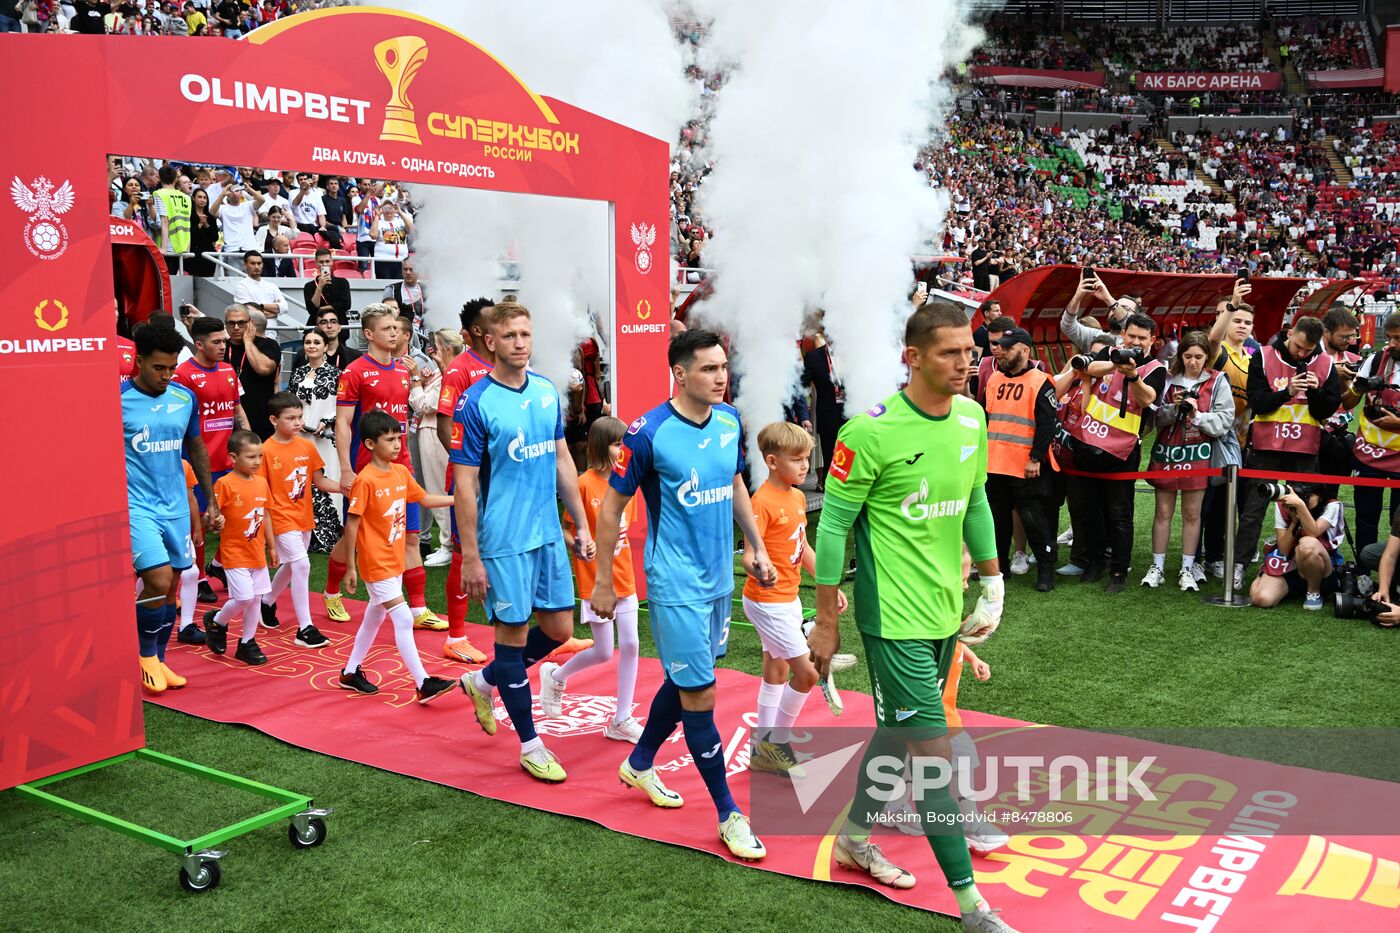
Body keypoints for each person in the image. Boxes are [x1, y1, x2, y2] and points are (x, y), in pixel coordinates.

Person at [808, 301, 1015, 932]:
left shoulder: (972, 420)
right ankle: (970, 903)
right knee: (934, 758)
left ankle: (853, 835)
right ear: (913, 358)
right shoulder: (868, 432)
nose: (965, 362)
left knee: (897, 734)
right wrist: (825, 619)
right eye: (951, 352)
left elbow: (976, 499)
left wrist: (992, 579)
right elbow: (835, 524)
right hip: (891, 620)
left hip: (943, 614)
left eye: (969, 350)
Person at [590, 328, 776, 860]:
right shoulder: (647, 433)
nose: (721, 377)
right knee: (701, 694)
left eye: (724, 367)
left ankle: (640, 762)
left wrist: (755, 545)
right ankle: (728, 813)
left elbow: (736, 482)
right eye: (710, 369)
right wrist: (604, 580)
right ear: (679, 373)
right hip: (675, 584)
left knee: (688, 677)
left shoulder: (729, 421)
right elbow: (610, 508)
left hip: (719, 577)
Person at [454, 300, 596, 783]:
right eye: (510, 335)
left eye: (526, 334)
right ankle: (531, 744)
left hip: (548, 534)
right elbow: (465, 486)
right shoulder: (476, 403)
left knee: (558, 630)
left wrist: (579, 524)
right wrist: (470, 556)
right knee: (511, 639)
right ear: (490, 342)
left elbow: (561, 460)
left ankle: (482, 681)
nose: (520, 343)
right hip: (503, 541)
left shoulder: (546, 390)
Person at [322, 305, 441, 630]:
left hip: (402, 469)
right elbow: (344, 424)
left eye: (396, 327)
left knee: (411, 537)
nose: (395, 332)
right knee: (354, 540)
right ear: (369, 334)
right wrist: (346, 469)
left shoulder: (405, 371)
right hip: (365, 472)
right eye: (386, 328)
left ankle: (418, 610)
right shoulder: (355, 372)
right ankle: (332, 592)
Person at [742, 421, 846, 774]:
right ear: (772, 461)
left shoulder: (799, 496)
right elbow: (750, 553)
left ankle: (762, 751)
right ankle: (775, 745)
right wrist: (761, 568)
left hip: (787, 600)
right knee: (808, 674)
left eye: (807, 458)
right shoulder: (762, 501)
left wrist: (828, 586)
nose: (805, 465)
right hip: (766, 602)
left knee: (776, 669)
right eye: (797, 459)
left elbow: (801, 548)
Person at [337, 412, 461, 703]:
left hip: (394, 561)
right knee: (404, 619)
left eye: (398, 439)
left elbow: (426, 500)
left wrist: (461, 498)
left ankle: (350, 671)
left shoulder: (401, 472)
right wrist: (351, 567)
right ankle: (422, 682)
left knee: (374, 615)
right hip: (376, 563)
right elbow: (351, 525)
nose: (397, 445)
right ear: (369, 444)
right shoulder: (365, 480)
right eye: (389, 440)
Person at [124, 320, 219, 694]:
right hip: (136, 507)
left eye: (171, 368)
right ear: (139, 360)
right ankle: (145, 655)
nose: (166, 375)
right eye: (157, 368)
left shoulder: (184, 398)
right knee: (157, 579)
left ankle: (160, 660)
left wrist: (209, 498)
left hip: (176, 505)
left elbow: (195, 448)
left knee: (173, 586)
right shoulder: (116, 400)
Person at [537, 417, 645, 743]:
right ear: (600, 446)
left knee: (630, 645)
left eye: (624, 444)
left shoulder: (627, 483)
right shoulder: (582, 485)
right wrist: (580, 545)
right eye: (616, 444)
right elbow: (566, 529)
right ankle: (555, 676)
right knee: (603, 651)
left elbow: (624, 533)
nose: (622, 450)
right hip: (596, 580)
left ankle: (622, 719)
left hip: (624, 578)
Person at [1233, 316, 1342, 590]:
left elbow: (1327, 410)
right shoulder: (1264, 356)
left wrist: (1315, 392)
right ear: (1290, 333)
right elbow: (1257, 402)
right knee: (1253, 511)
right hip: (1266, 447)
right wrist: (1287, 391)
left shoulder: (1326, 363)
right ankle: (1238, 565)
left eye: (1309, 350)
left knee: (1305, 510)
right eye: (1299, 347)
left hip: (1304, 451)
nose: (1303, 354)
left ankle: (1301, 565)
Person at [1062, 312, 1166, 592]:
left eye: (1142, 338)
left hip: (1123, 451)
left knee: (1120, 513)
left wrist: (1132, 375)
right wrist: (1116, 362)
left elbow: (1147, 399)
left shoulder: (1155, 368)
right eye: (1131, 335)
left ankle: (1119, 571)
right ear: (1123, 334)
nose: (1135, 341)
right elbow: (1088, 369)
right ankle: (1095, 562)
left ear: (1152, 340)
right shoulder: (1110, 352)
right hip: (1090, 441)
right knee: (1089, 509)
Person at [1143, 332, 1235, 592]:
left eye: (1198, 356)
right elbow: (1151, 416)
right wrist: (1172, 410)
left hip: (1200, 455)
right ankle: (1157, 567)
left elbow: (1224, 421)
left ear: (1207, 357)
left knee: (1193, 514)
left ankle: (1187, 568)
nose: (1193, 362)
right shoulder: (1167, 379)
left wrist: (1197, 415)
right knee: (1163, 512)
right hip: (1167, 454)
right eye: (1187, 356)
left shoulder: (1217, 381)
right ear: (1179, 355)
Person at [434, 297, 496, 663]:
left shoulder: (505, 364)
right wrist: (468, 469)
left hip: (505, 478)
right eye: (494, 323)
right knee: (463, 553)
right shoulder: (459, 369)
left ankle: (540, 632)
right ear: (477, 331)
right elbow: (445, 424)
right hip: (470, 481)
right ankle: (455, 637)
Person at [173, 315, 249, 605]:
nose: (223, 346)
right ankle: (199, 577)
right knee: (200, 524)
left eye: (224, 341)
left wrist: (251, 443)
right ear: (199, 344)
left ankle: (218, 565)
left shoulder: (229, 370)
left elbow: (236, 410)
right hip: (197, 463)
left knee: (238, 519)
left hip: (229, 461)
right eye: (216, 342)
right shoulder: (182, 375)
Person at [257, 392, 338, 648]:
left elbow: (320, 482)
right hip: (281, 518)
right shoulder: (265, 451)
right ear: (273, 419)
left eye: (300, 417)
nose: (297, 422)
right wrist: (267, 534)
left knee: (293, 565)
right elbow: (261, 494)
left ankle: (266, 601)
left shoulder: (306, 446)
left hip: (304, 517)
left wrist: (347, 487)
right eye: (290, 418)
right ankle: (305, 628)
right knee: (301, 565)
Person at [982, 326, 1058, 592]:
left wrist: (1036, 457)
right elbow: (987, 418)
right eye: (1000, 346)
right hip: (995, 464)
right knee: (997, 520)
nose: (1001, 351)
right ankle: (1000, 569)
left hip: (1026, 465)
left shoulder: (1041, 380)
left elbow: (1047, 424)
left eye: (1008, 347)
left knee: (1033, 518)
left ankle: (1046, 570)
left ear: (1025, 350)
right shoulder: (994, 379)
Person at [202, 431, 280, 664]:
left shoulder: (262, 483)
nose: (257, 462)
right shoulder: (224, 483)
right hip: (234, 552)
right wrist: (215, 520)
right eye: (251, 457)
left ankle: (247, 642)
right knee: (245, 598)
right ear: (233, 458)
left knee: (256, 598)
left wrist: (272, 547)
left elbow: (265, 515)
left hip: (256, 552)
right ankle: (217, 621)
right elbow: (211, 514)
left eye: (259, 457)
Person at [1201, 294, 1258, 579]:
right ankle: (1209, 556)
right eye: (1237, 320)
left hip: (1241, 441)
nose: (1243, 326)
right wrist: (1233, 304)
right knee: (1210, 503)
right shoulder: (1218, 351)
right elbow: (1211, 341)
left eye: (1248, 322)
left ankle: (1220, 553)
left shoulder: (1251, 358)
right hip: (1210, 440)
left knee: (1231, 501)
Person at [410, 328, 461, 568]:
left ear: (446, 349)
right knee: (436, 486)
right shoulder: (446, 373)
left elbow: (425, 404)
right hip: (430, 430)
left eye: (436, 347)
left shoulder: (451, 373)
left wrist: (416, 382)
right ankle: (447, 543)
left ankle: (447, 545)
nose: (432, 351)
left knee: (438, 488)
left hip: (434, 431)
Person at [1348, 313, 1400, 552]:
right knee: (1366, 518)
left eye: (1397, 338)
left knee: (1398, 524)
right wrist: (1358, 386)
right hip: (1369, 454)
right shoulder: (1377, 359)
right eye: (1389, 338)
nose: (1391, 344)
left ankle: (1395, 579)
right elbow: (1349, 402)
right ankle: (1361, 574)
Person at [1249, 484, 1345, 611]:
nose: (1301, 499)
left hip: (1320, 569)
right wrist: (1294, 521)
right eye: (1299, 495)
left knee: (1307, 544)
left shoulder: (1332, 506)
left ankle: (1313, 592)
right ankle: (1279, 582)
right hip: (1290, 564)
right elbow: (1283, 549)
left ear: (1320, 497)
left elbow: (1313, 532)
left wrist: (1300, 506)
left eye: (1308, 496)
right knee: (1261, 598)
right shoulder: (1283, 506)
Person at [289, 329, 343, 552]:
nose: (311, 346)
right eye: (308, 342)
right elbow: (290, 402)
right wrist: (295, 421)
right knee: (302, 481)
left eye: (316, 342)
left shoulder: (337, 373)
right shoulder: (297, 373)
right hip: (300, 435)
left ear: (325, 346)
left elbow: (343, 405)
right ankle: (303, 535)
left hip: (325, 438)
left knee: (328, 478)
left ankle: (329, 536)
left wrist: (327, 421)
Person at [224, 304, 281, 440]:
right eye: (231, 323)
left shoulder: (268, 345)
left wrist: (248, 342)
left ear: (250, 324)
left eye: (241, 323)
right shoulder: (222, 347)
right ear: (225, 325)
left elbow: (264, 369)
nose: (236, 327)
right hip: (227, 423)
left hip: (261, 423)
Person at [802, 326, 846, 490]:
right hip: (828, 415)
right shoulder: (814, 356)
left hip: (852, 414)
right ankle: (830, 489)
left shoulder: (854, 353)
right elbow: (802, 383)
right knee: (830, 456)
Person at [232, 251, 286, 338]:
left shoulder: (272, 286)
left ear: (262, 265)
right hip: (252, 335)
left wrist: (260, 306)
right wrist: (274, 312)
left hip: (272, 335)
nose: (256, 266)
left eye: (259, 263)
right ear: (245, 265)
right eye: (253, 263)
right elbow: (250, 313)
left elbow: (284, 308)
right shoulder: (241, 286)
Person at [152, 164, 191, 274]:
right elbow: (187, 224)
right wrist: (188, 248)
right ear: (175, 179)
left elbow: (165, 221)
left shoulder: (159, 194)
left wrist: (163, 248)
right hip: (183, 245)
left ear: (159, 178)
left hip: (168, 246)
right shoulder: (187, 197)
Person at [210, 179, 263, 257]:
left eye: (237, 190)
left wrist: (249, 189)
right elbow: (212, 212)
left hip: (249, 248)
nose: (234, 193)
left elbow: (262, 200)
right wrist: (222, 194)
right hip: (231, 249)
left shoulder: (248, 205)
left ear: (241, 193)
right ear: (227, 194)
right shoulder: (223, 208)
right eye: (231, 191)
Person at [292, 310, 361, 370]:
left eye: (333, 322)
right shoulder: (303, 355)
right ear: (317, 328)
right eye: (324, 322)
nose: (329, 326)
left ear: (339, 327)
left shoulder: (354, 356)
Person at [291, 171, 342, 249]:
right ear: (297, 182)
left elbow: (321, 214)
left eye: (305, 179)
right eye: (301, 180)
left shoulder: (316, 195)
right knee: (308, 227)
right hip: (300, 224)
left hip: (314, 225)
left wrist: (322, 226)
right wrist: (303, 190)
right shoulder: (293, 192)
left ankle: (337, 251)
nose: (303, 181)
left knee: (334, 229)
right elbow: (295, 203)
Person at [384, 258, 427, 349]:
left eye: (411, 269)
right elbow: (384, 316)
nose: (408, 272)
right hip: (400, 337)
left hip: (425, 336)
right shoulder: (392, 289)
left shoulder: (427, 289)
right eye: (405, 269)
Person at [303, 248, 351, 324]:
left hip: (339, 323)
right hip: (317, 325)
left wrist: (322, 308)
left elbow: (346, 304)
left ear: (332, 262)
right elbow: (312, 309)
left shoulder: (342, 282)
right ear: (316, 264)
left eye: (327, 261)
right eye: (321, 262)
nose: (325, 264)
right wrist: (319, 287)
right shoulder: (309, 286)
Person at [371, 199, 412, 279]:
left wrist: (400, 212)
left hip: (401, 260)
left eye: (391, 208)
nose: (388, 211)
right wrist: (377, 216)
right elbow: (373, 235)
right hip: (383, 261)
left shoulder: (401, 222)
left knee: (399, 286)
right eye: (385, 208)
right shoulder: (379, 223)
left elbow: (411, 229)